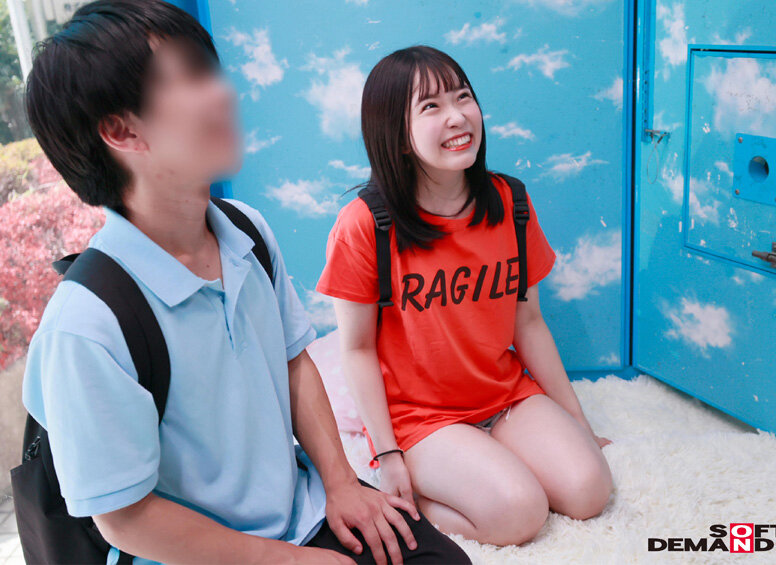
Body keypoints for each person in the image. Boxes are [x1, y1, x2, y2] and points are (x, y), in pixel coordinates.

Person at [20, 2, 471, 563]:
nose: (224, 92)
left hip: (301, 510)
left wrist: (341, 485)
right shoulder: (85, 324)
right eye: (189, 77)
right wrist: (288, 560)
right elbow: (125, 519)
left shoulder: (246, 230)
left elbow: (294, 363)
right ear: (120, 129)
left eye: (209, 70)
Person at [316, 45, 614, 547]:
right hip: (420, 417)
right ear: (397, 135)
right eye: (430, 106)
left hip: (503, 395)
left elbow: (529, 323)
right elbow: (358, 349)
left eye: (463, 97)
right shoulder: (365, 224)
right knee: (520, 514)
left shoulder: (510, 202)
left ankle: (489, 462)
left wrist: (577, 421)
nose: (457, 116)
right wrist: (388, 456)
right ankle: (428, 494)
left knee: (589, 491)